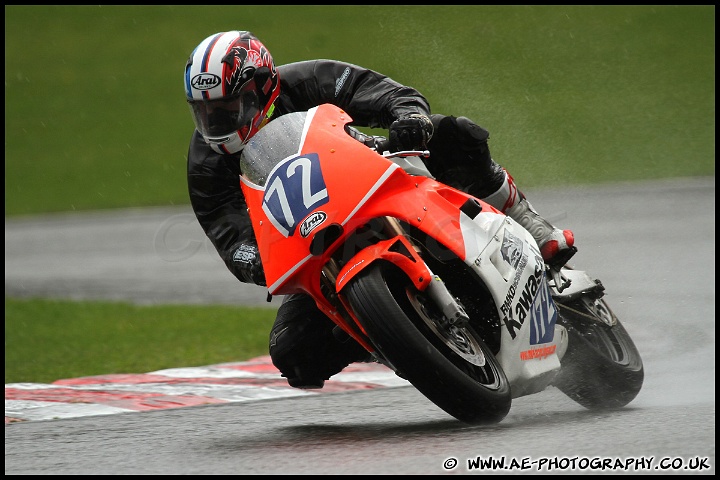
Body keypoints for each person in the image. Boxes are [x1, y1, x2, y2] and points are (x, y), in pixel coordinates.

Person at [184, 30, 576, 389]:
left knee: (454, 134)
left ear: (263, 87)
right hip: (316, 245)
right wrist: (255, 259)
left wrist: (408, 117)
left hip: (372, 178)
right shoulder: (205, 162)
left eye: (230, 107)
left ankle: (526, 220)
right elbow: (226, 230)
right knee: (294, 355)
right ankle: (394, 337)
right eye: (206, 113)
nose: (217, 122)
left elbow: (378, 90)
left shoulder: (308, 79)